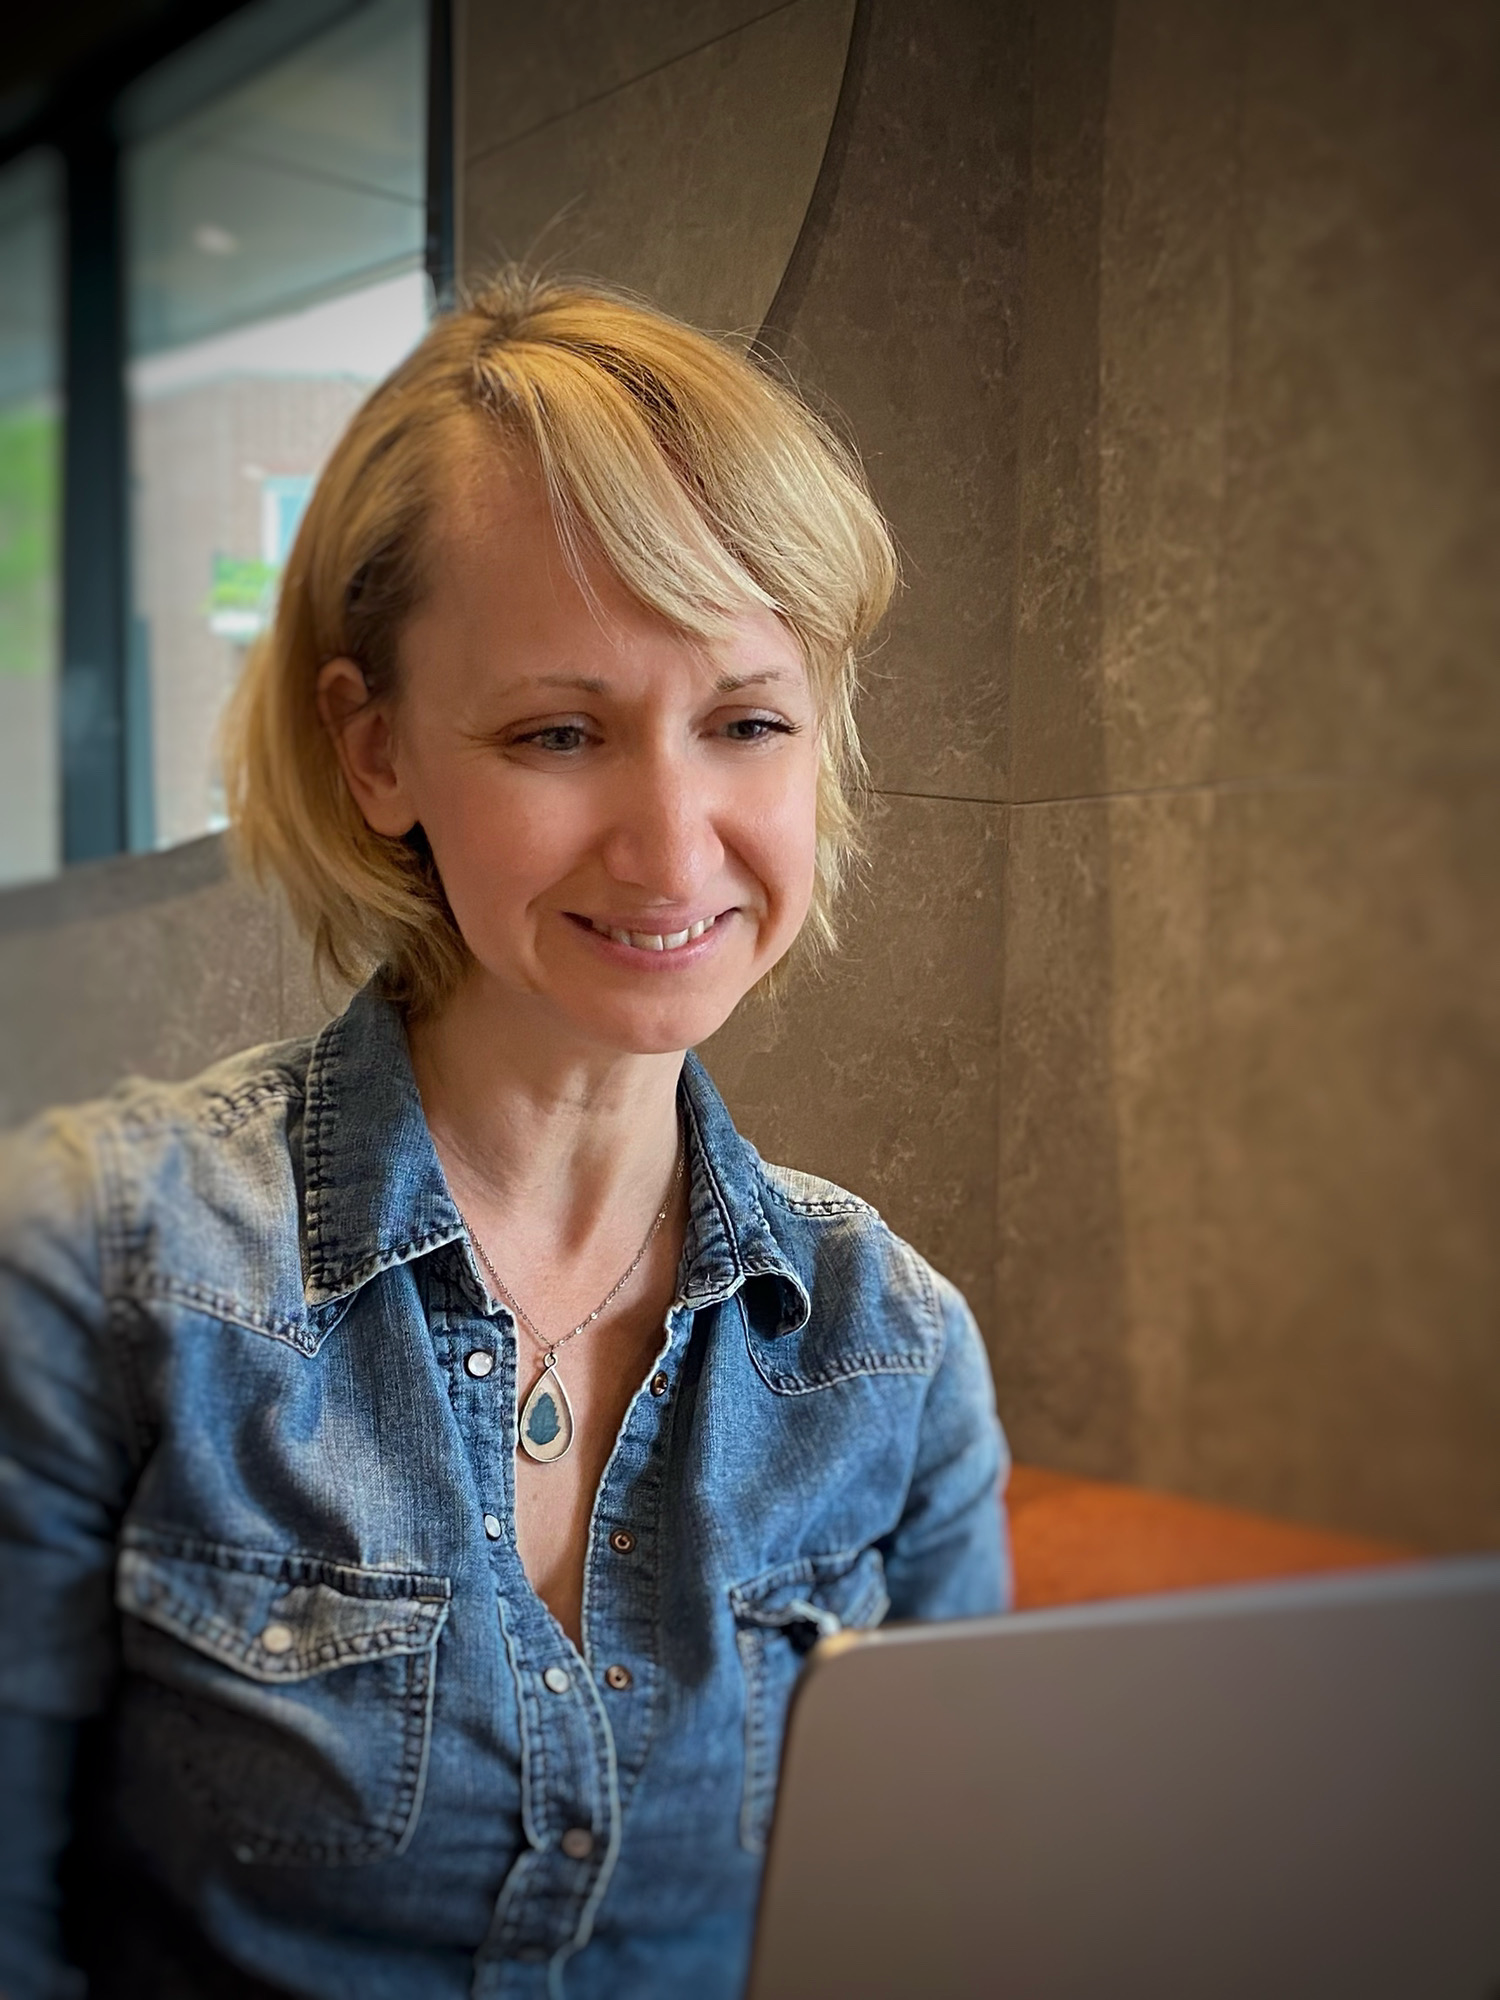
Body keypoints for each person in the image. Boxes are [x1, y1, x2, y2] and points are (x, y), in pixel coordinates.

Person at [0, 270, 1011, 2000]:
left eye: (747, 722)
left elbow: (945, 1928)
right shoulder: (101, 1262)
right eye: (562, 731)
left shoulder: (893, 1353)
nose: (677, 850)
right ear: (374, 745)